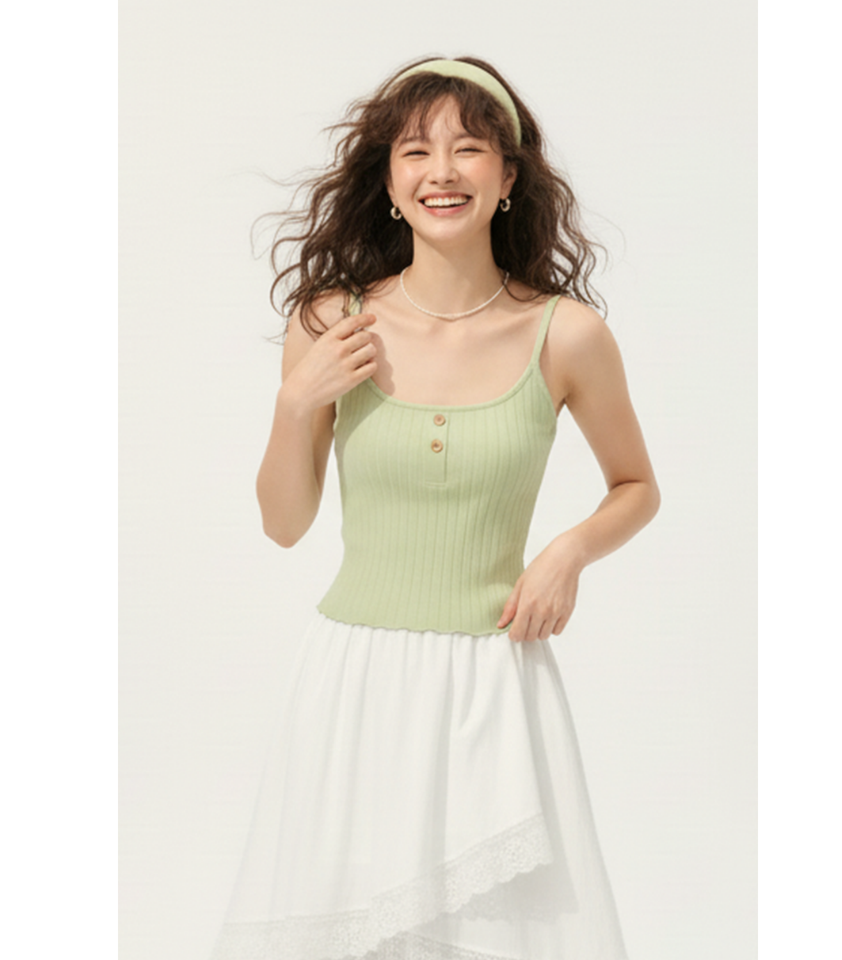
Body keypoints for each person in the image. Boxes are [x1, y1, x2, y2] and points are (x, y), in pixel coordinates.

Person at [210, 57, 660, 960]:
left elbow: (636, 486)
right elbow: (284, 525)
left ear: (508, 177)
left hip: (496, 683)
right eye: (415, 151)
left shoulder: (565, 333)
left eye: (468, 149)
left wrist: (568, 551)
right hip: (355, 683)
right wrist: (296, 402)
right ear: (387, 183)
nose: (440, 172)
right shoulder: (330, 322)